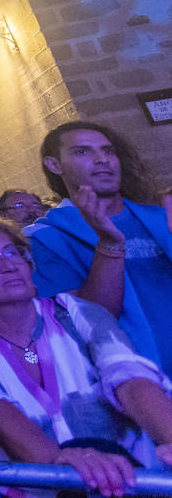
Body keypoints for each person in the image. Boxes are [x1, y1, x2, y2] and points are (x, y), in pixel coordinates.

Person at [0, 216, 172, 498]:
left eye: (13, 252)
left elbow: (129, 375)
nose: (9, 265)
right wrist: (59, 463)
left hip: (129, 481)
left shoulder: (74, 311)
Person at [29, 120, 172, 380]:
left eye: (107, 151)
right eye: (82, 152)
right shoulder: (45, 238)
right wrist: (109, 244)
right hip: (138, 381)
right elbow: (88, 323)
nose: (102, 160)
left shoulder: (160, 218)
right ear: (54, 165)